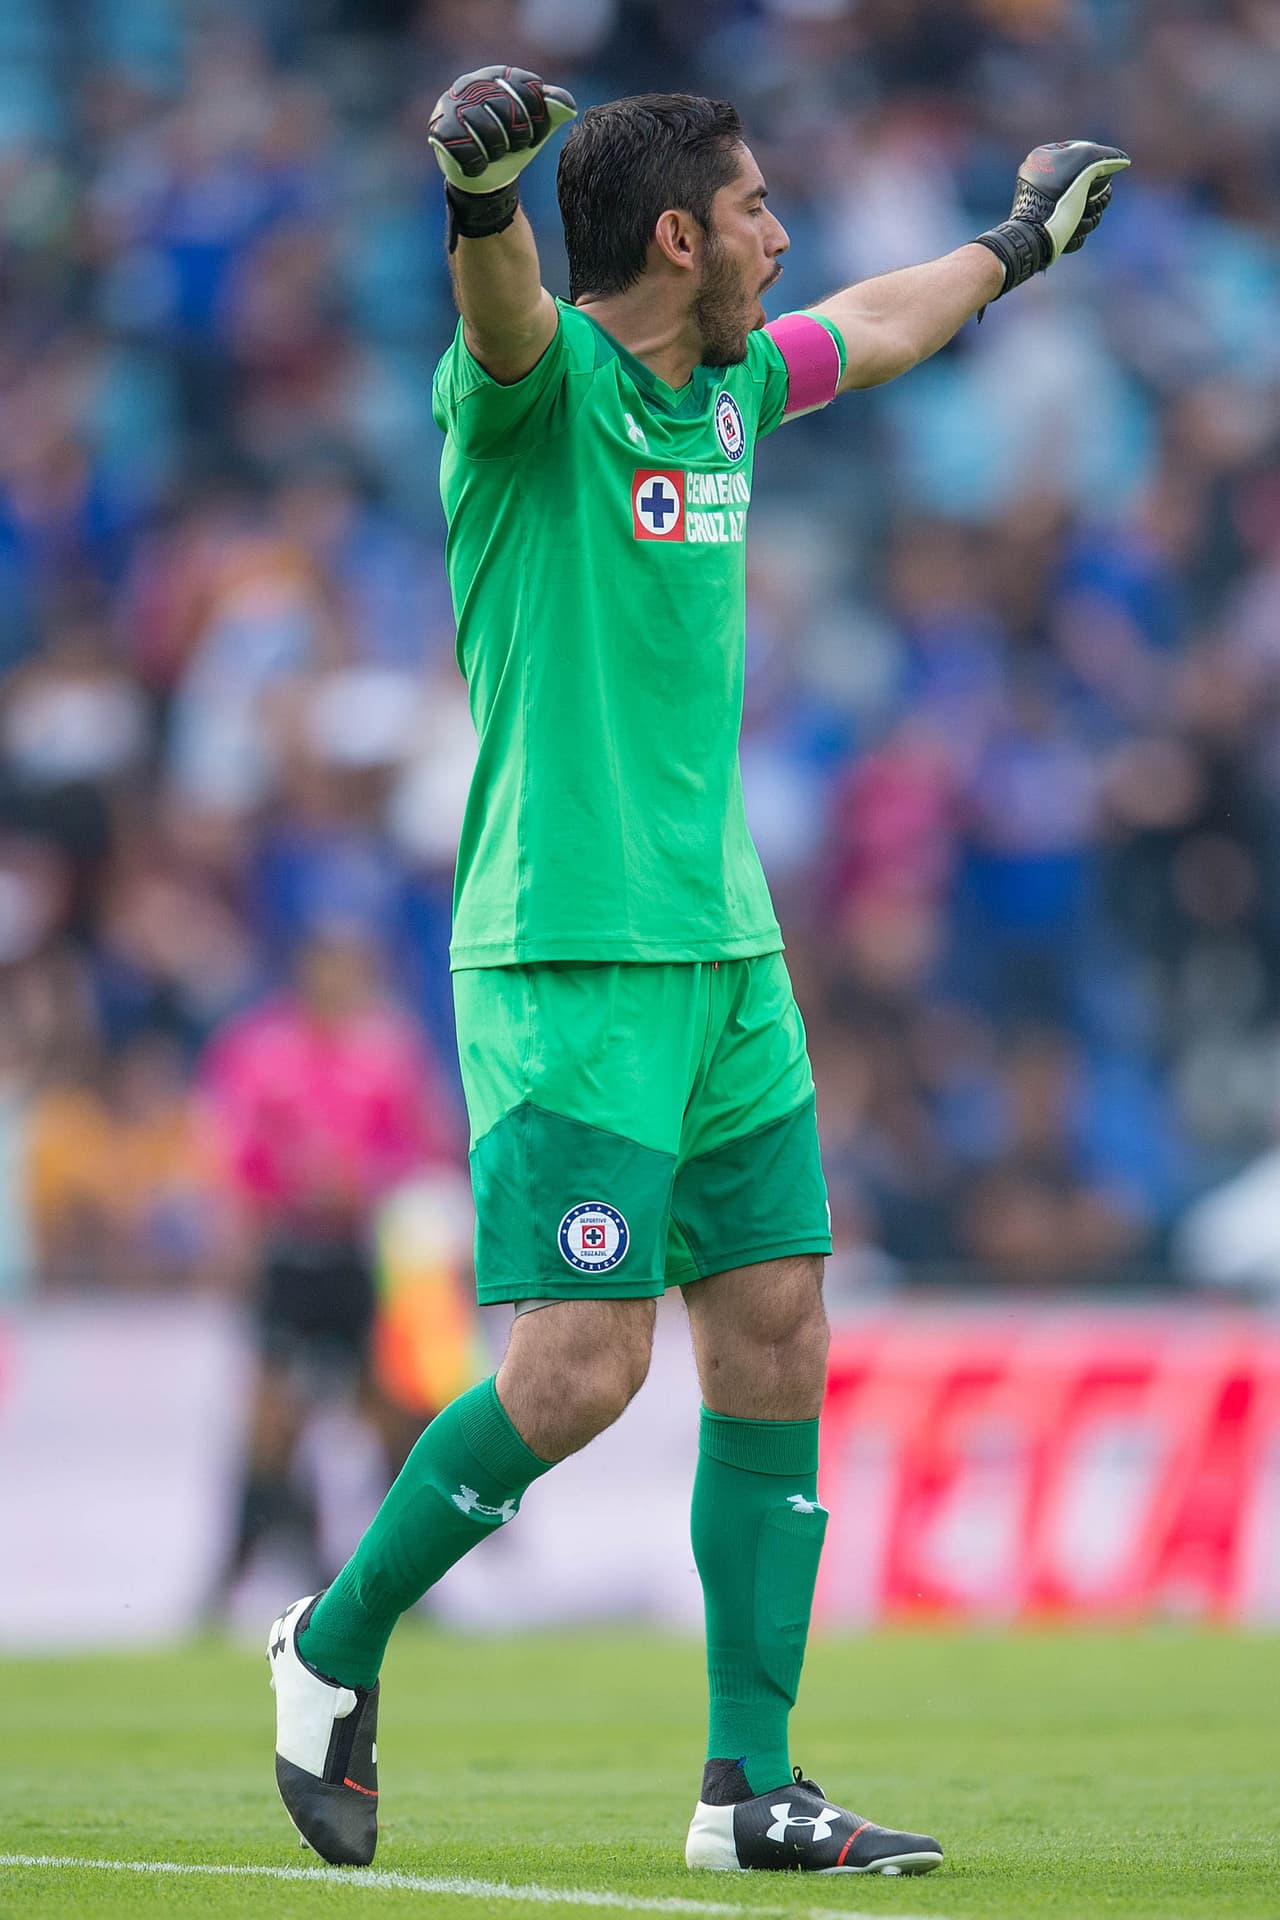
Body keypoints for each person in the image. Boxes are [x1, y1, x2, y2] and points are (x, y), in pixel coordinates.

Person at [267, 68, 1128, 1875]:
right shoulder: (535, 399)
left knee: (778, 1329)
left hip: (729, 951)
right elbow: (503, 315)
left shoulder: (732, 385)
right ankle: (329, 1643)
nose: (781, 234)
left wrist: (1013, 245)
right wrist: (482, 198)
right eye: (753, 210)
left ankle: (751, 1788)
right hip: (568, 950)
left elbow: (877, 325)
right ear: (676, 234)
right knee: (580, 1371)